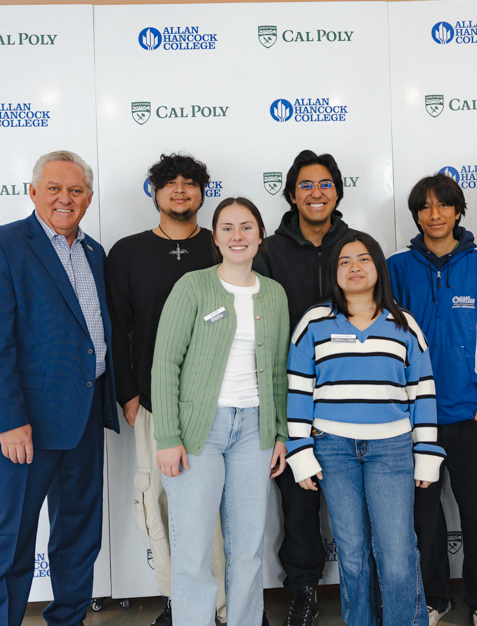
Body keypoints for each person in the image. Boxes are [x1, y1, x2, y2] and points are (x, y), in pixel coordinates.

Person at [0, 150, 119, 626]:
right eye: (54, 188)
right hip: (20, 424)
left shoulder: (93, 253)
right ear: (32, 192)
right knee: (8, 544)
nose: (64, 198)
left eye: (75, 190)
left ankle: (68, 621)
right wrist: (9, 421)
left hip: (84, 416)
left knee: (79, 538)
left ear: (88, 199)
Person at [285, 232, 445, 626]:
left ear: (378, 267)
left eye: (363, 259)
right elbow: (298, 390)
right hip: (332, 449)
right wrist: (300, 452)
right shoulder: (313, 322)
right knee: (353, 551)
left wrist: (427, 455)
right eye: (344, 261)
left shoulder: (404, 324)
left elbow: (422, 392)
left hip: (391, 449)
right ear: (333, 272)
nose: (354, 268)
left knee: (396, 551)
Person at [152, 197, 290, 626]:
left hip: (255, 430)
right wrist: (168, 437)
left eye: (246, 227)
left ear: (260, 236)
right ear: (214, 237)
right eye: (227, 228)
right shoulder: (193, 286)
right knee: (192, 550)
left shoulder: (274, 293)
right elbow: (165, 363)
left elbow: (280, 371)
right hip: (199, 432)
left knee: (247, 547)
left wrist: (280, 433)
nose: (237, 236)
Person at [105, 153, 227, 626]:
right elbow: (118, 328)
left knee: (215, 509)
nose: (181, 190)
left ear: (202, 193)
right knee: (157, 504)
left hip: (219, 402)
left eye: (191, 183)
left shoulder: (221, 246)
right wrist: (129, 393)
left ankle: (219, 607)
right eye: (170, 183)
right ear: (154, 192)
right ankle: (180, 604)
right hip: (155, 403)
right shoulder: (127, 252)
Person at [388, 174, 477, 626]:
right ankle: (433, 598)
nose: (434, 215)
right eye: (425, 207)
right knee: (424, 517)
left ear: (458, 211)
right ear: (416, 215)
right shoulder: (395, 266)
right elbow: (388, 341)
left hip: (471, 413)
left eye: (443, 206)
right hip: (416, 418)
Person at [255, 149, 355, 626]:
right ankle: (304, 590)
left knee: (358, 495)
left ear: (337, 190)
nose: (317, 193)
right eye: (307, 186)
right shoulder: (270, 250)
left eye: (325, 184)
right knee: (299, 499)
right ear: (292, 194)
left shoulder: (356, 244)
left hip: (354, 391)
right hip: (291, 391)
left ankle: (365, 586)